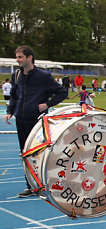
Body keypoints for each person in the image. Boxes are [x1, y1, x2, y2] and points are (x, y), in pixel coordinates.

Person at [5, 45, 68, 198]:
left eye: (20, 57)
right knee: (25, 153)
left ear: (29, 57)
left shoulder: (43, 76)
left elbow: (62, 92)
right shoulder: (16, 76)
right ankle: (31, 186)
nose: (18, 60)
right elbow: (14, 95)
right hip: (21, 119)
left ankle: (45, 183)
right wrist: (10, 111)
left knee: (40, 153)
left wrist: (47, 104)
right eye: (17, 57)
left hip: (37, 121)